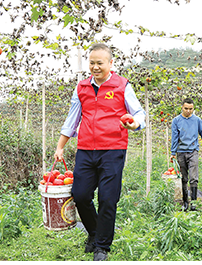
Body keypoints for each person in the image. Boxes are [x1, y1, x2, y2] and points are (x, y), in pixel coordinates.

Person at [54, 43, 146, 261]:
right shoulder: (82, 88)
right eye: (92, 63)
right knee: (80, 194)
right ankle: (94, 233)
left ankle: (102, 246)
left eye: (99, 63)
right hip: (86, 149)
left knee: (107, 198)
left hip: (113, 150)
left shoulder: (122, 85)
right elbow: (72, 119)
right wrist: (60, 146)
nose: (95, 67)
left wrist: (134, 124)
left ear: (110, 63)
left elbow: (139, 113)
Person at [170, 98, 202, 212]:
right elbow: (174, 138)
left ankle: (193, 203)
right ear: (182, 108)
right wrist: (173, 153)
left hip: (193, 151)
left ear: (193, 108)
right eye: (186, 108)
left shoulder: (197, 120)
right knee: (183, 178)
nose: (188, 111)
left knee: (194, 178)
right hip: (181, 152)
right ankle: (185, 203)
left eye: (191, 109)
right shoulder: (176, 121)